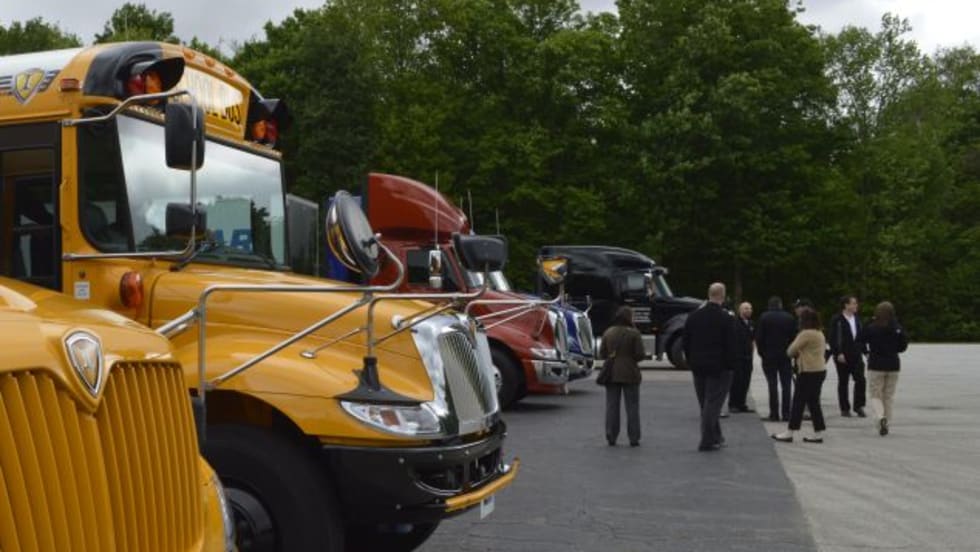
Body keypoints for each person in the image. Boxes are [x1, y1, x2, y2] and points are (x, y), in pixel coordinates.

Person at [684, 282, 737, 452]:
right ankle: (707, 440)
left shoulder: (694, 317)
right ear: (723, 296)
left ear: (708, 294)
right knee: (713, 404)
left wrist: (691, 360)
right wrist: (731, 365)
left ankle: (716, 436)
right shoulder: (726, 318)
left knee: (705, 403)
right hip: (719, 367)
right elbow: (731, 345)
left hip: (698, 366)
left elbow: (686, 342)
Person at [772, 308, 828, 443]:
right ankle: (818, 432)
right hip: (820, 370)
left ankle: (790, 432)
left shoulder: (806, 333)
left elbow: (790, 351)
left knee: (798, 402)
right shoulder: (819, 333)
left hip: (808, 371)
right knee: (814, 402)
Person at [857, 301, 909, 436]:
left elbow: (859, 339)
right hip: (893, 364)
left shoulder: (872, 327)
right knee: (888, 396)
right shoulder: (897, 327)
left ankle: (880, 417)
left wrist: (866, 352)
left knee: (876, 394)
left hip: (876, 364)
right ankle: (887, 421)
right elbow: (903, 346)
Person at [599, 306, 646, 446]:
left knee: (612, 406)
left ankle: (611, 435)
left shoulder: (608, 332)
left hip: (611, 372)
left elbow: (602, 353)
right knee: (632, 406)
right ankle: (634, 437)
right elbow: (640, 354)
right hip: (630, 372)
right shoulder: (634, 333)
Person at [755, 297, 797, 421]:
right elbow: (793, 337)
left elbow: (759, 338)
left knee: (772, 384)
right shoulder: (789, 318)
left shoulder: (764, 317)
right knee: (786, 385)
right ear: (780, 305)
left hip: (769, 355)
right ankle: (786, 413)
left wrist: (762, 353)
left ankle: (774, 413)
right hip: (785, 355)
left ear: (769, 305)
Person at [828, 295, 867, 417]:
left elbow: (861, 337)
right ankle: (845, 408)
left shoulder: (857, 319)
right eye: (853, 303)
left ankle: (859, 406)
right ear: (846, 305)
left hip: (856, 354)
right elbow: (832, 338)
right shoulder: (837, 320)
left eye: (856, 303)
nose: (856, 305)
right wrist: (838, 353)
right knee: (843, 381)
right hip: (842, 356)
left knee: (860, 380)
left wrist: (866, 352)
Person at [728, 302, 755, 413]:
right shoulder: (735, 323)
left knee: (745, 381)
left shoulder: (751, 323)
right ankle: (733, 404)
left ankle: (741, 403)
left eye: (750, 308)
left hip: (748, 357)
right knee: (736, 381)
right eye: (746, 308)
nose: (748, 310)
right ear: (740, 310)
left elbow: (752, 338)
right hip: (738, 357)